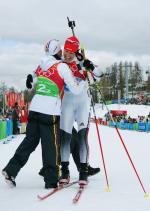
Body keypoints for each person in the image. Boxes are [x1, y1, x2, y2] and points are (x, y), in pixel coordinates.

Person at [2, 39, 86, 189]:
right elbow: (75, 89)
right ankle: (51, 180)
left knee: (29, 142)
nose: (63, 53)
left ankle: (10, 170)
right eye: (61, 50)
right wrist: (83, 81)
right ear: (57, 51)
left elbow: (32, 76)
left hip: (34, 110)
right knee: (51, 146)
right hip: (50, 112)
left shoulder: (42, 63)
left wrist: (29, 78)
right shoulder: (62, 67)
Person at [59, 36, 101, 185]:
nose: (67, 55)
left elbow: (99, 74)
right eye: (65, 51)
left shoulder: (82, 63)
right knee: (65, 138)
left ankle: (83, 171)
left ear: (76, 51)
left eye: (71, 52)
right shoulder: (60, 65)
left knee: (82, 137)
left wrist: (89, 65)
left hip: (82, 104)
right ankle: (65, 171)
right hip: (67, 104)